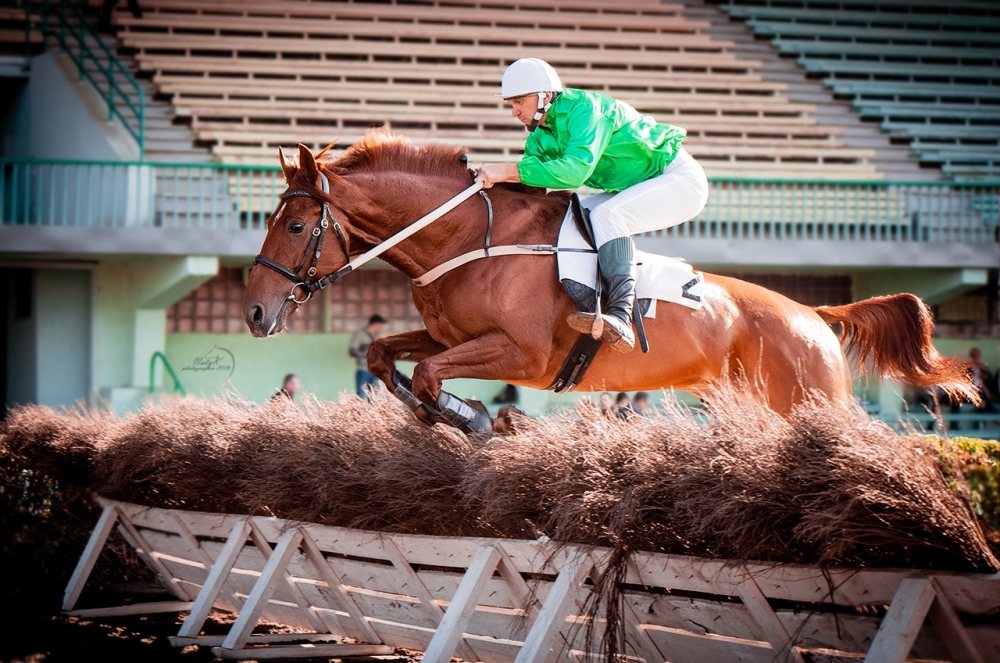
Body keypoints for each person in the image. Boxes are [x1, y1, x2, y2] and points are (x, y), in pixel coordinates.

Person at [476, 58, 709, 353]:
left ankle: (621, 315)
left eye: (519, 101)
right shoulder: (539, 139)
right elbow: (531, 187)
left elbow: (575, 171)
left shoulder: (586, 109)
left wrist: (507, 170)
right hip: (637, 185)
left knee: (607, 214)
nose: (514, 111)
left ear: (545, 96)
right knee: (576, 217)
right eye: (511, 104)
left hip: (678, 179)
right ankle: (589, 299)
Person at [349, 314, 386, 398]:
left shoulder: (378, 336)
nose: (381, 328)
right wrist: (366, 354)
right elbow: (352, 351)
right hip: (363, 369)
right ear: (375, 324)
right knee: (361, 395)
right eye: (380, 325)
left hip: (375, 370)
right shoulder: (360, 335)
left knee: (374, 397)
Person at [968, 348, 996, 412]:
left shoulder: (982, 367)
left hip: (982, 388)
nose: (976, 358)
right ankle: (990, 411)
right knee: (981, 395)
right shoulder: (968, 367)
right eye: (974, 356)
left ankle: (985, 412)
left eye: (977, 356)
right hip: (972, 389)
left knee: (983, 393)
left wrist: (984, 376)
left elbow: (988, 378)